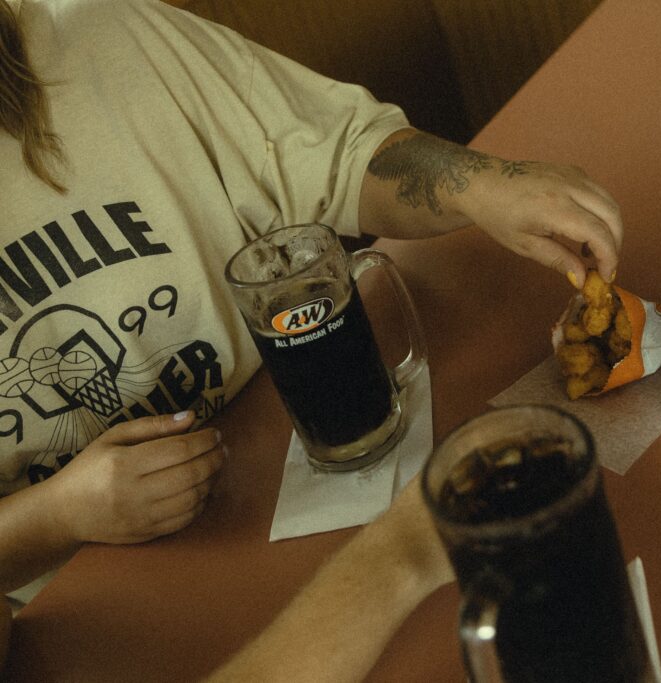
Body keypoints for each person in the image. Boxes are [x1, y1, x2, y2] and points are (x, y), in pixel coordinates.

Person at [0, 0, 623, 675]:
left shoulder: (101, 33)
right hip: (102, 611)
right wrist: (55, 514)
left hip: (300, 482)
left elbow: (335, 153)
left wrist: (478, 184)